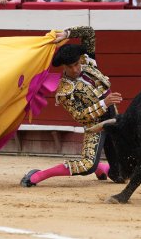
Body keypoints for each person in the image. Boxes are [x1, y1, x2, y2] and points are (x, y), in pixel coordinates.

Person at [20, 26, 123, 187]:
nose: (75, 69)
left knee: (121, 176)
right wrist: (105, 103)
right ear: (63, 66)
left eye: (76, 64)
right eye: (70, 67)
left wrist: (67, 34)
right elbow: (79, 115)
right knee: (87, 165)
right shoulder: (64, 91)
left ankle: (101, 168)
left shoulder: (88, 62)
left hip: (113, 119)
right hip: (95, 125)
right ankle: (39, 175)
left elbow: (89, 32)